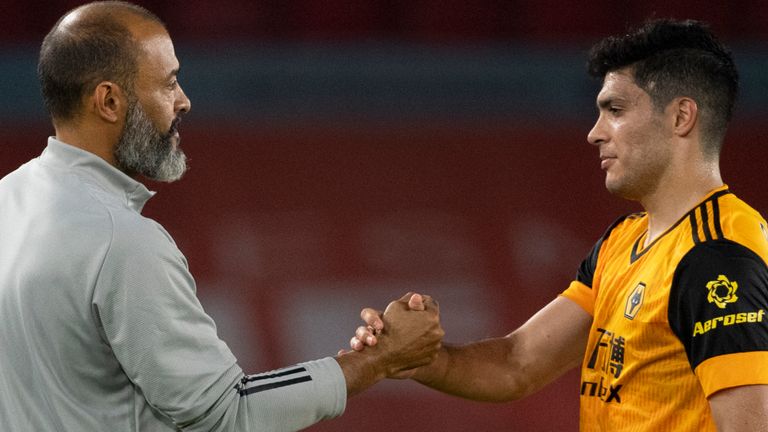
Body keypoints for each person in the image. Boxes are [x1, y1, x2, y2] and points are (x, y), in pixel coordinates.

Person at [0, 2, 444, 431]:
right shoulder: (121, 241)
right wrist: (378, 358)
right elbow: (225, 414)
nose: (184, 101)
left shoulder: (7, 201)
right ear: (109, 102)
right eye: (168, 83)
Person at [351, 19, 768, 431]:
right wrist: (420, 357)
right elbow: (518, 363)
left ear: (681, 117)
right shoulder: (623, 242)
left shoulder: (717, 257)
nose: (594, 133)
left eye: (616, 110)